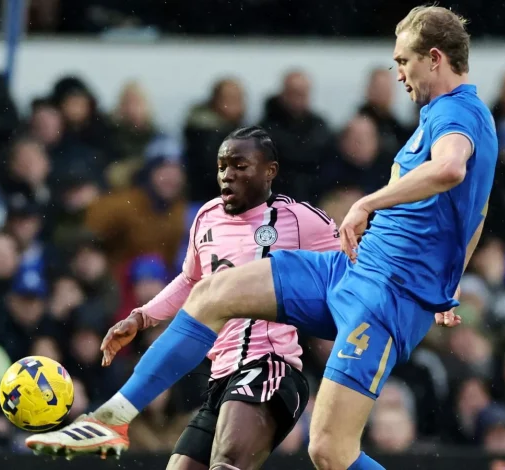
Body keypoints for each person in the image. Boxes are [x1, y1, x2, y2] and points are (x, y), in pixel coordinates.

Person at [27, 6, 498, 470]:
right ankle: (111, 420)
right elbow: (475, 212)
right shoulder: (443, 113)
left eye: (403, 60)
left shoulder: (459, 112)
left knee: (330, 452)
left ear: (434, 58)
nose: (397, 73)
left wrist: (367, 203)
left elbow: (451, 168)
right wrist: (451, 282)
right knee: (214, 292)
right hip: (354, 269)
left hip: (387, 297)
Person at [27, 126, 341, 469]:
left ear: (270, 171)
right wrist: (142, 316)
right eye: (222, 166)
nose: (228, 176)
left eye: (240, 166)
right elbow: (191, 281)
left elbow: (348, 270)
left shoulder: (300, 220)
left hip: (269, 367)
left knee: (227, 465)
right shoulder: (206, 217)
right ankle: (110, 420)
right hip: (220, 377)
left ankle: (109, 420)